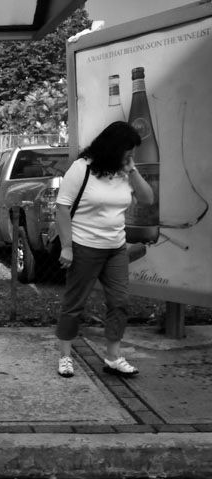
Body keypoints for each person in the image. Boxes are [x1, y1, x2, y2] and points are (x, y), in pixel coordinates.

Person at [54, 121, 154, 378]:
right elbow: (62, 209)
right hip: (84, 246)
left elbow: (147, 199)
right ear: (113, 147)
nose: (131, 156)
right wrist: (67, 247)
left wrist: (132, 170)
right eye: (128, 151)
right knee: (75, 304)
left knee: (120, 302)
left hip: (115, 248)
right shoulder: (81, 169)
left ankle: (113, 356)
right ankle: (65, 357)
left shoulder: (124, 171)